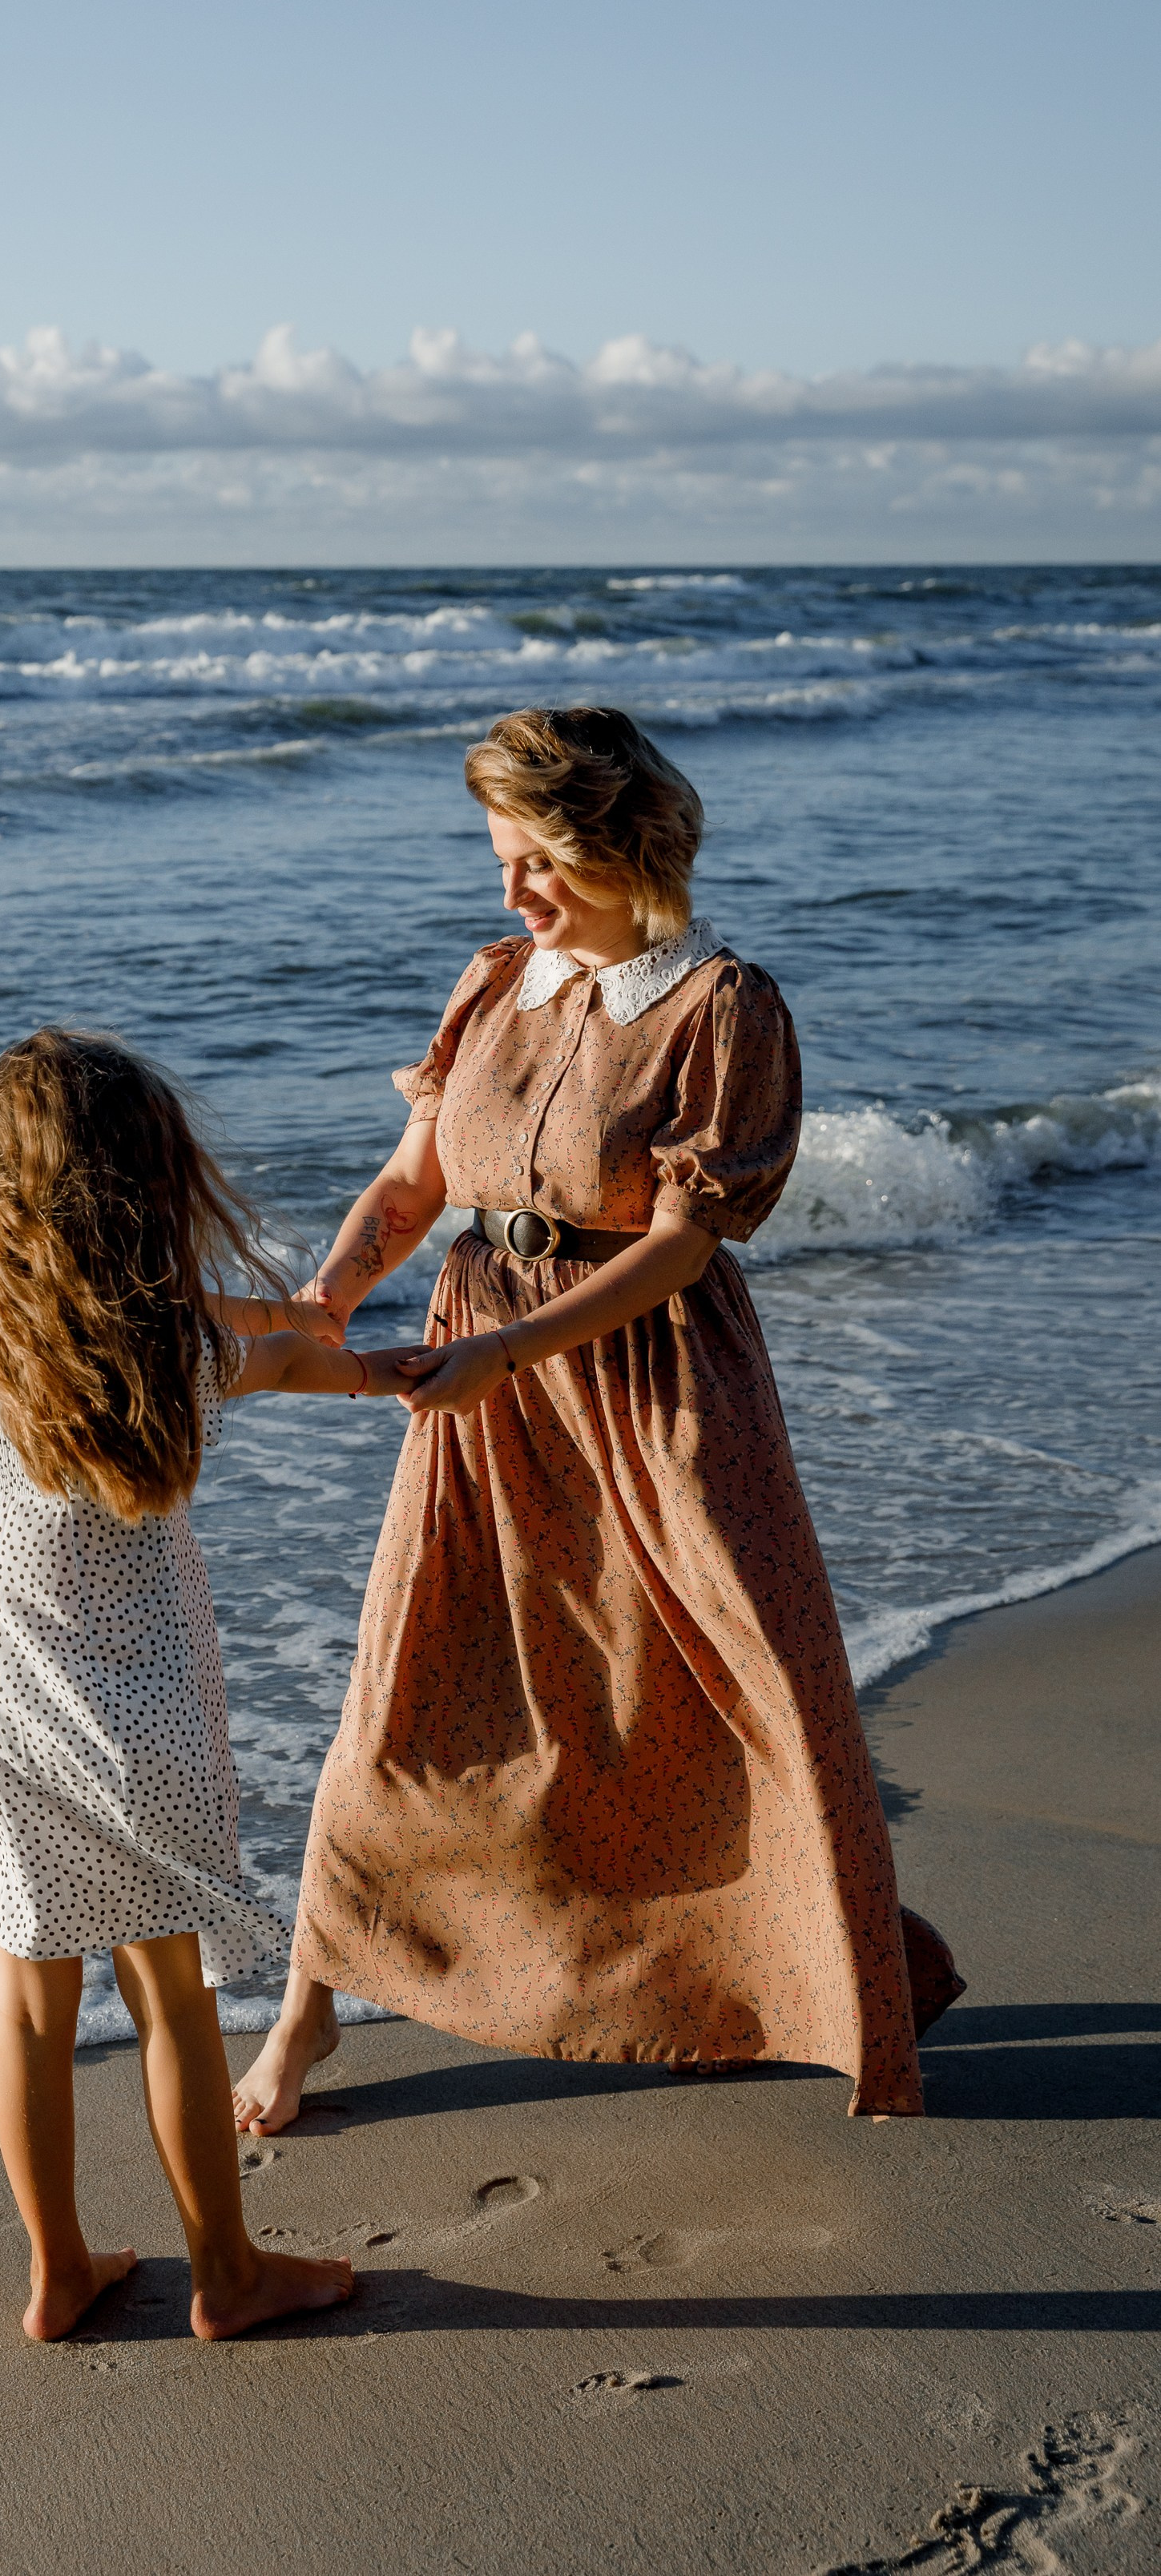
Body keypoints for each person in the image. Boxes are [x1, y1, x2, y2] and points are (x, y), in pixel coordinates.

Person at [232, 705, 961, 2137]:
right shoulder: (494, 981)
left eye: (539, 862)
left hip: (647, 1387)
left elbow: (684, 1246)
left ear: (628, 851)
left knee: (730, 1695)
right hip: (484, 1385)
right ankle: (306, 2021)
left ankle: (818, 1991)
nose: (511, 892)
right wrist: (320, 1302)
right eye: (500, 857)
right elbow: (411, 1180)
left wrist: (512, 1347)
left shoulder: (720, 1006)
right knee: (408, 1706)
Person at [0, 1025, 416, 2341]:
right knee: (171, 1998)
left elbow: (242, 1326)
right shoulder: (172, 1358)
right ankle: (227, 2272)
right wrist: (379, 1366)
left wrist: (304, 1314)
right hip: (136, 1719)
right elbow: (279, 1353)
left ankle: (54, 2271)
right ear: (145, 1192)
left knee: (30, 2001)